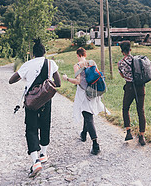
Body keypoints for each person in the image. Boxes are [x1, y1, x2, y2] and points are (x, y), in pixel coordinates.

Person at [9, 39, 61, 178]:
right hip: (45, 100)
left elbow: (12, 80)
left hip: (31, 101)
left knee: (31, 128)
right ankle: (43, 154)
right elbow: (58, 83)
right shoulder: (51, 63)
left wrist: (25, 76)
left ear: (33, 54)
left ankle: (35, 161)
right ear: (44, 52)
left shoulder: (28, 64)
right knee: (45, 125)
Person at [62, 47, 106, 155]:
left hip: (83, 94)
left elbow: (78, 81)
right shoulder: (91, 62)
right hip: (93, 92)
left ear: (78, 55)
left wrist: (66, 79)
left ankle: (96, 145)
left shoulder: (77, 66)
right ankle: (83, 134)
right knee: (87, 113)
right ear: (85, 54)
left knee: (87, 116)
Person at [118, 41, 151, 146]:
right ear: (130, 50)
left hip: (129, 87)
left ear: (122, 51)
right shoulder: (139, 60)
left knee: (125, 108)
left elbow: (122, 75)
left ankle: (129, 131)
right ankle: (141, 136)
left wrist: (128, 76)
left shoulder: (121, 62)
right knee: (141, 111)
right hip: (141, 87)